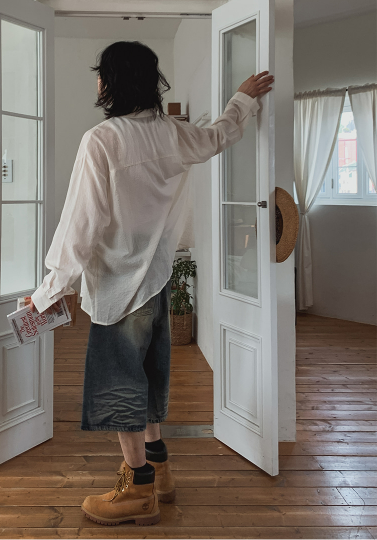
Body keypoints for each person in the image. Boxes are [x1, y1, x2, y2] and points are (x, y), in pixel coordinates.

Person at [30, 41, 274, 526]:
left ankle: (138, 490)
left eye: (101, 74)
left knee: (120, 386)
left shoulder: (102, 140)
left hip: (119, 289)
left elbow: (80, 224)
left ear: (111, 83)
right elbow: (219, 136)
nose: (97, 82)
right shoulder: (171, 133)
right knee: (149, 375)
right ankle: (159, 468)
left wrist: (48, 291)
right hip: (157, 280)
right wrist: (242, 99)